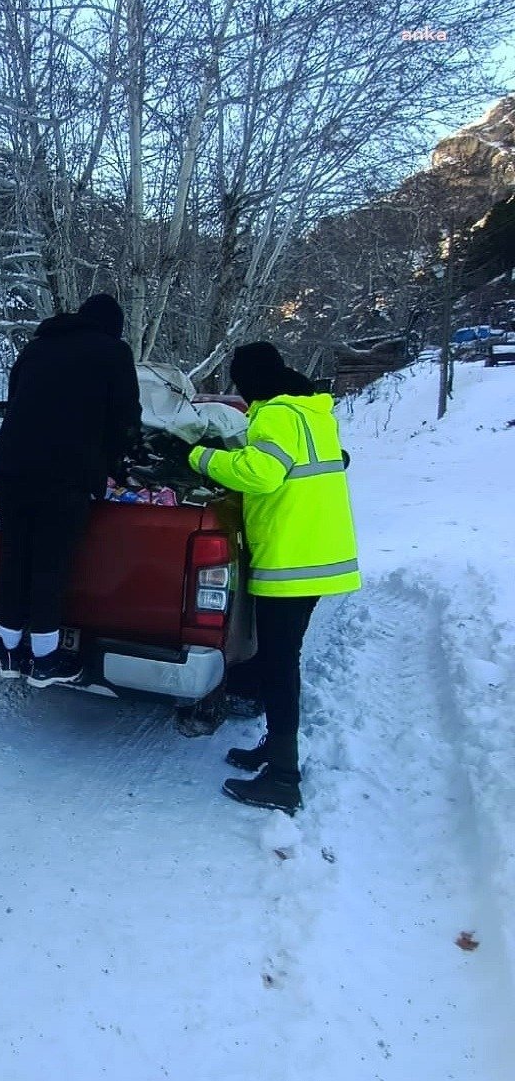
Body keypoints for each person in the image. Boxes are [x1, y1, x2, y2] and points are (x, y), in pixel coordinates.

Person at [189, 341, 360, 814]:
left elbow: (262, 474)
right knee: (277, 657)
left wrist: (201, 458)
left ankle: (284, 778)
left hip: (292, 559)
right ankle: (274, 749)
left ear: (250, 380)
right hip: (319, 553)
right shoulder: (313, 412)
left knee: (281, 664)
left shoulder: (275, 414)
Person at [0, 293, 142, 687]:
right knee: (49, 563)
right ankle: (44, 658)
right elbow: (126, 418)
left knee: (14, 555)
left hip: (11, 467)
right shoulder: (113, 352)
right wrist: (122, 464)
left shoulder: (36, 347)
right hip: (66, 473)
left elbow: (16, 401)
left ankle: (7, 651)